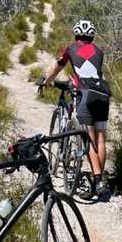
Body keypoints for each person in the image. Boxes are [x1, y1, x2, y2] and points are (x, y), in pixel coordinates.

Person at [44, 19, 110, 197]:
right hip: (103, 93)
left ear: (76, 35)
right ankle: (100, 180)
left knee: (87, 139)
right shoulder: (99, 51)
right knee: (101, 139)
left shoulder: (71, 49)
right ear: (92, 36)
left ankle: (96, 181)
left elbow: (57, 67)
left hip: (86, 93)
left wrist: (46, 82)